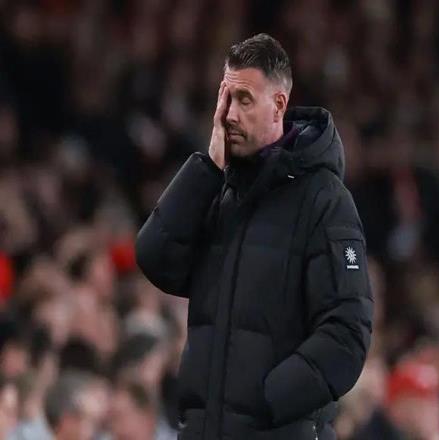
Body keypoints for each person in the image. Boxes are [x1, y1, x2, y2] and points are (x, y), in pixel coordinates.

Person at [136, 33, 373, 440]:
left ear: (278, 105)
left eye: (244, 100)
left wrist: (267, 401)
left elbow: (348, 334)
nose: (229, 114)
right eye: (225, 98)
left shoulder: (325, 200)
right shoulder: (217, 188)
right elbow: (155, 259)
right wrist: (206, 169)